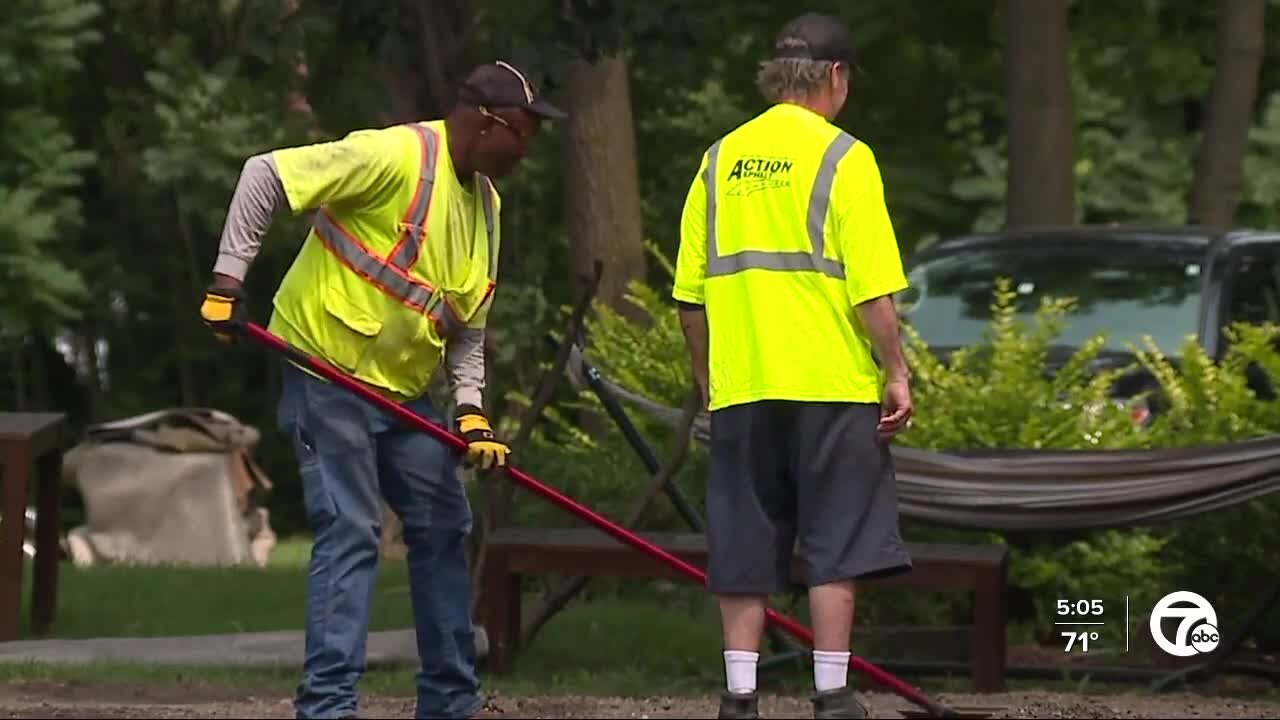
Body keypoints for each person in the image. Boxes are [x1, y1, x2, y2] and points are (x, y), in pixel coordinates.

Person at [198, 60, 565, 720]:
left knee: (444, 522)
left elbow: (468, 327)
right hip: (326, 371)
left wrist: (474, 415)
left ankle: (450, 703)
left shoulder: (488, 208)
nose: (527, 149)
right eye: (523, 133)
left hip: (401, 396)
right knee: (353, 528)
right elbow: (264, 175)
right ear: (484, 123)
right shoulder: (393, 155)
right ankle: (329, 707)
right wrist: (227, 283)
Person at [671, 12, 915, 720]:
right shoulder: (845, 159)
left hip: (744, 383)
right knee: (836, 541)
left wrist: (706, 376)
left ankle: (740, 697)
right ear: (836, 76)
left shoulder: (718, 161)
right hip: (831, 384)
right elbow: (873, 292)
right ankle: (833, 695)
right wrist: (895, 370)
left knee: (744, 539)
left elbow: (690, 297)